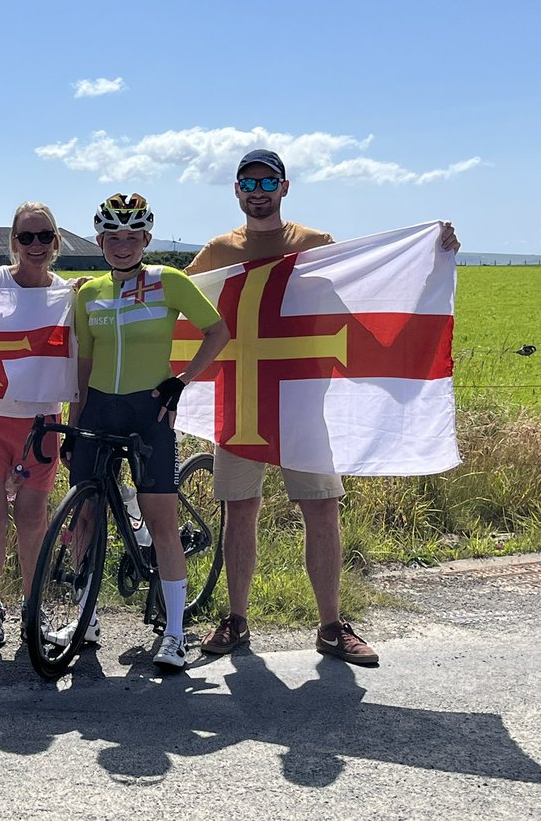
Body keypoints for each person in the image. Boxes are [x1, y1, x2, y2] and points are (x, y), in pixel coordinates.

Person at [188, 148, 460, 665]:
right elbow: (175, 297)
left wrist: (432, 257)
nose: (258, 192)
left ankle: (332, 626)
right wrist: (100, 290)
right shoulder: (220, 250)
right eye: (249, 182)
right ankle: (236, 619)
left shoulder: (315, 245)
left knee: (321, 509)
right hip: (240, 400)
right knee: (239, 511)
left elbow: (366, 292)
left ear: (285, 188)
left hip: (302, 404)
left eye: (269, 183)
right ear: (237, 191)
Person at [70, 194, 230, 670]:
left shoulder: (169, 282)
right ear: (99, 241)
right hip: (98, 410)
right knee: (84, 517)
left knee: (161, 521)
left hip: (149, 412)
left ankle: (177, 634)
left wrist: (181, 382)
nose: (122, 245)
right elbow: (83, 364)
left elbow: (217, 331)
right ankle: (86, 618)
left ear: (146, 239)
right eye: (113, 237)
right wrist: (74, 421)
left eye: (132, 236)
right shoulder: (88, 292)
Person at [0, 202, 71, 647]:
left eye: (44, 236)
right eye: (26, 237)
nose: (36, 245)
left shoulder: (69, 294)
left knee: (31, 518)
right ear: (12, 243)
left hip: (40, 424)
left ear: (57, 242)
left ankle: (32, 605)